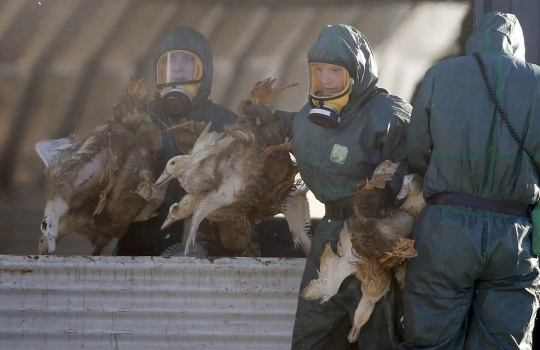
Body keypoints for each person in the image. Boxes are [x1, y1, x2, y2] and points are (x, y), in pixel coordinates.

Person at [242, 24, 411, 349]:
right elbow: (297, 127)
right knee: (312, 336)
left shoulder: (386, 114)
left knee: (378, 336)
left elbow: (408, 160)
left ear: (357, 74)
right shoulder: (310, 117)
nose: (327, 79)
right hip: (329, 235)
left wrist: (384, 190)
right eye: (319, 71)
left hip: (374, 238)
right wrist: (270, 120)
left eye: (336, 71)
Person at [400, 12, 540, 349]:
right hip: (514, 234)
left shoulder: (440, 74)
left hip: (446, 227)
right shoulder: (537, 81)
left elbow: (417, 149)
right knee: (503, 340)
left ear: (476, 39)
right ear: (517, 46)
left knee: (430, 337)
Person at [115, 26, 237, 256]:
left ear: (205, 71)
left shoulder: (225, 122)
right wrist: (118, 129)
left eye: (186, 61)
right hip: (140, 248)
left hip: (208, 254)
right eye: (170, 62)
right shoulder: (142, 116)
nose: (177, 67)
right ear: (158, 71)